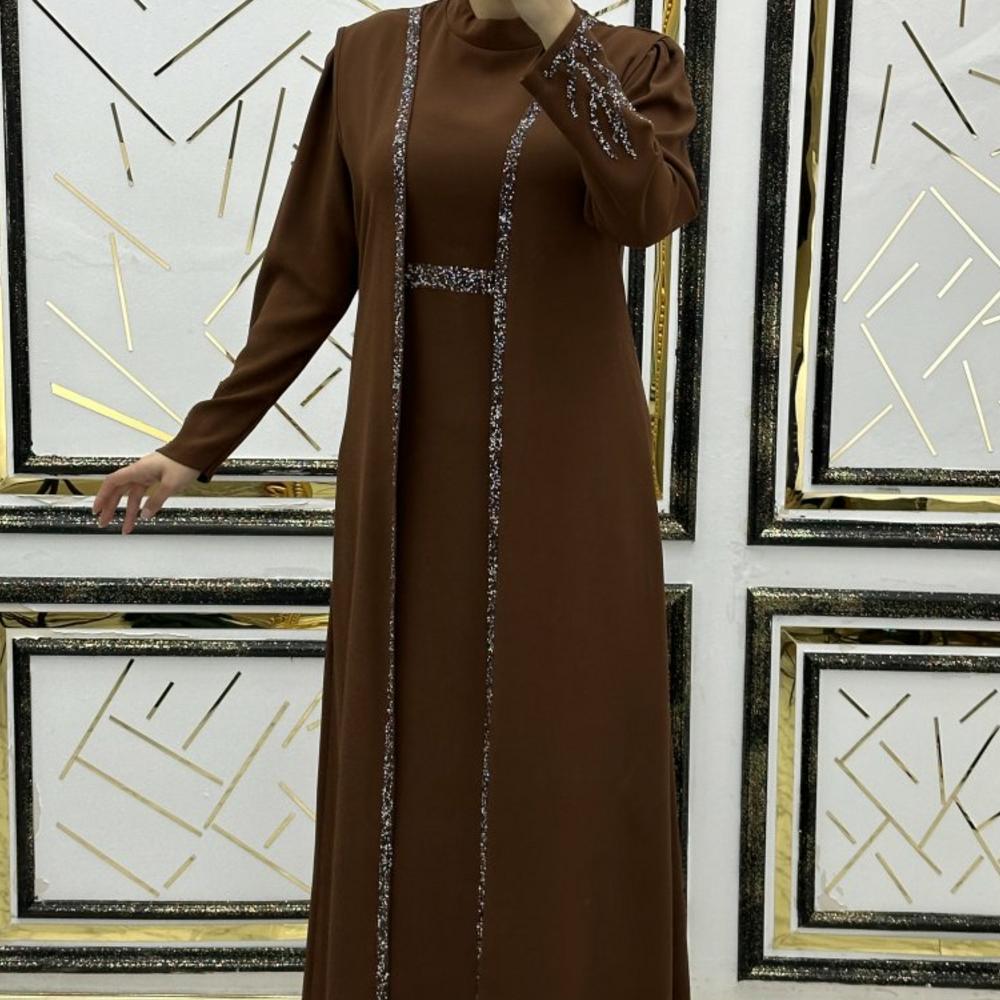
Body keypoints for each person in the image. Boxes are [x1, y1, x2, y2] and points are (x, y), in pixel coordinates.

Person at [93, 0, 701, 995]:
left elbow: (646, 211)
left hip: (568, 484)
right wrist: (197, 446)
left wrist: (555, 27)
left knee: (561, 747)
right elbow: (308, 276)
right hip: (405, 477)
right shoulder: (372, 57)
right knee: (409, 754)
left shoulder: (634, 64)